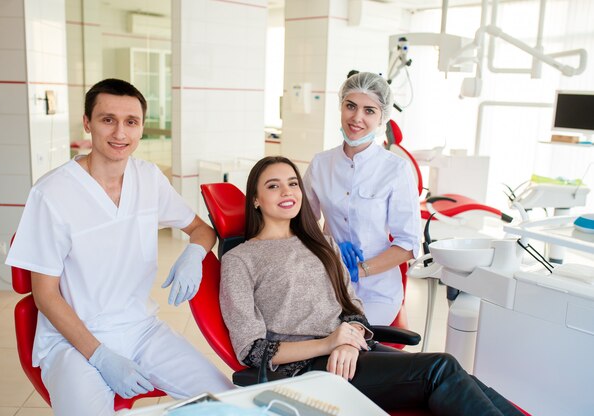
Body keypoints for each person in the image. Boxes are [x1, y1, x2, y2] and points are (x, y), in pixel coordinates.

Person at [220, 156, 523, 415]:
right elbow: (253, 351)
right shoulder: (241, 260)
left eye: (293, 183)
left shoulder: (322, 243)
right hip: (306, 369)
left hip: (352, 352)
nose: (287, 191)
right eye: (273, 185)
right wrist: (331, 343)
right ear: (256, 199)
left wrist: (350, 339)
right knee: (439, 368)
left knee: (463, 376)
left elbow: (352, 305)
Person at [6, 78, 233, 416]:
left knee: (227, 403)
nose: (120, 133)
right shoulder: (51, 193)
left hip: (142, 330)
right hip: (74, 342)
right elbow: (45, 295)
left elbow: (201, 230)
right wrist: (100, 356)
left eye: (131, 122)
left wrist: (194, 254)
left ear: (142, 128)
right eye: (107, 119)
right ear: (87, 123)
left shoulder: (149, 178)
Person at [303, 71, 421, 325]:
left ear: (382, 118)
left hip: (377, 292)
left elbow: (408, 244)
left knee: (346, 342)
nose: (357, 118)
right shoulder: (321, 164)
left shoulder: (395, 170)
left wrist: (359, 270)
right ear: (341, 107)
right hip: (329, 282)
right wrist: (329, 247)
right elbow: (304, 224)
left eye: (369, 111)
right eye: (351, 106)